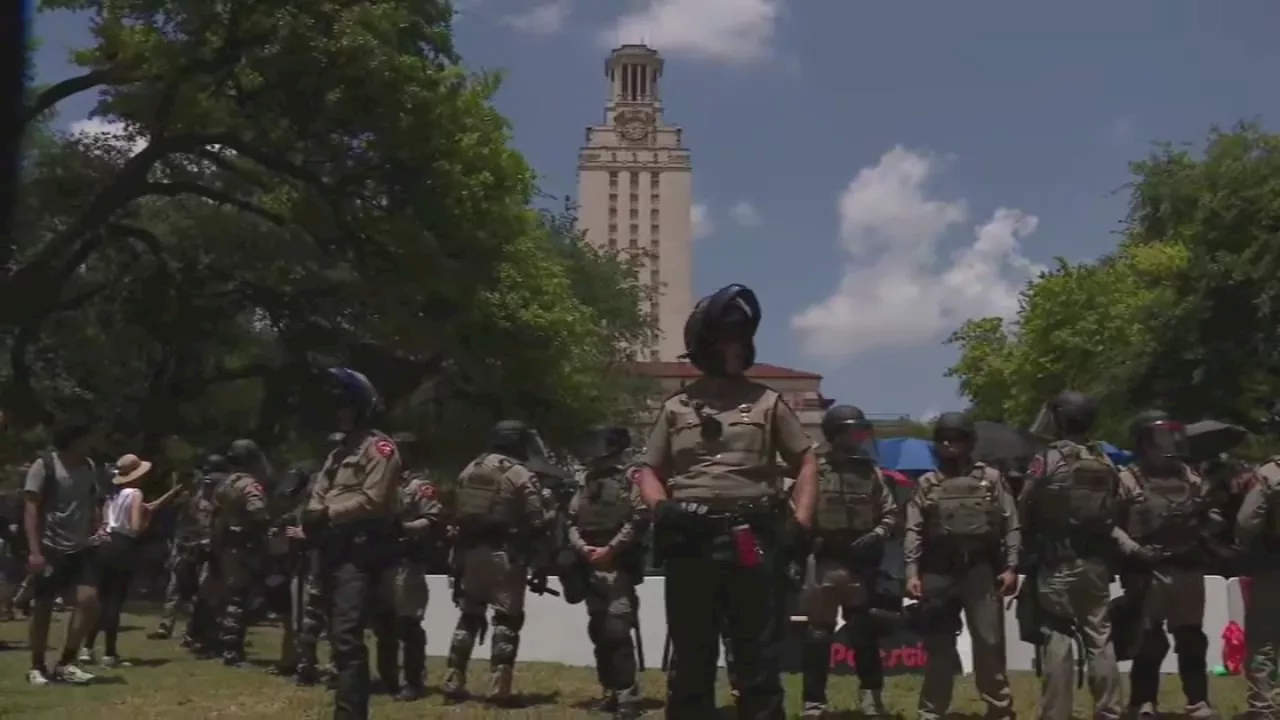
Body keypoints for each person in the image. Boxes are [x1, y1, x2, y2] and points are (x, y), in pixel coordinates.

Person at [631, 283, 819, 720]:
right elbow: (649, 471)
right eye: (725, 339)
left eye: (741, 339)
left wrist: (801, 523)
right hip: (690, 538)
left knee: (756, 652)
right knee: (692, 653)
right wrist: (662, 508)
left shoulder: (768, 402)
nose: (735, 349)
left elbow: (806, 461)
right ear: (703, 344)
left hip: (751, 537)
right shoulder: (676, 408)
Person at [301, 367, 401, 720]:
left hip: (359, 551)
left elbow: (374, 499)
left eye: (344, 406)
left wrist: (327, 514)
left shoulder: (381, 448)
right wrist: (313, 514)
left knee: (346, 637)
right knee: (334, 634)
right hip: (330, 548)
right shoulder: (338, 451)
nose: (338, 413)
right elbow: (319, 490)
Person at [903, 411, 1018, 720]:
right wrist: (912, 572)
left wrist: (1011, 567)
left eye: (956, 438)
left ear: (970, 442)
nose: (949, 444)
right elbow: (913, 529)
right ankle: (931, 712)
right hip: (938, 573)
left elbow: (1011, 525)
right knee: (939, 647)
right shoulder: (927, 483)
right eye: (943, 439)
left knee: (989, 644)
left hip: (980, 571)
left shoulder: (991, 479)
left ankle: (1000, 709)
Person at [1020, 390, 1124, 720]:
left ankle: (1057, 714)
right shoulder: (1104, 460)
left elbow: (1025, 502)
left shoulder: (1048, 458)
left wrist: (1029, 540)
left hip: (1057, 562)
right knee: (1100, 639)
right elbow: (1116, 506)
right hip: (1095, 563)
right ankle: (1109, 711)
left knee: (1057, 635)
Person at [1114, 411, 1220, 720]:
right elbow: (1111, 525)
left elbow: (1209, 520)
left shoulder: (1189, 476)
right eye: (1159, 439)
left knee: (1191, 638)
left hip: (1186, 567)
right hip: (1147, 570)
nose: (1167, 445)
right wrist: (1135, 551)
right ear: (1142, 444)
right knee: (1147, 640)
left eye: (1171, 437)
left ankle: (1198, 701)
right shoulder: (1127, 479)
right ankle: (1143, 702)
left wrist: (1208, 516)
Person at [800, 404, 900, 718]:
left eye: (858, 431)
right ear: (833, 434)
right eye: (849, 431)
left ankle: (871, 698)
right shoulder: (813, 467)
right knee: (818, 635)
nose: (856, 437)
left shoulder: (869, 471)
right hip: (824, 561)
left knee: (863, 632)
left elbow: (890, 513)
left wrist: (876, 535)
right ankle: (814, 702)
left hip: (859, 564)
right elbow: (796, 509)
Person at [443, 419, 551, 706]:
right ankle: (498, 688)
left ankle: (453, 679)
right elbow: (536, 519)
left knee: (469, 614)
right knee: (507, 620)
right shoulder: (518, 473)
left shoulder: (471, 468)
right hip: (504, 555)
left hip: (469, 553)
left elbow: (456, 511)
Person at [567, 424, 651, 720]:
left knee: (617, 631)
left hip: (619, 566)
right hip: (592, 564)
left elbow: (640, 518)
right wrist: (584, 550)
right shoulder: (586, 479)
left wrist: (611, 550)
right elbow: (572, 521)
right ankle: (609, 691)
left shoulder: (632, 477)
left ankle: (628, 696)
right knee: (599, 630)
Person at [23, 418, 103, 686]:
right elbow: (31, 509)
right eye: (87, 438)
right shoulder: (44, 466)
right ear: (73, 439)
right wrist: (35, 551)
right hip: (49, 546)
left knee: (89, 601)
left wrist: (96, 527)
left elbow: (90, 501)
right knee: (43, 607)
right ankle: (36, 665)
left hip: (79, 546)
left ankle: (67, 662)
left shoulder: (89, 466)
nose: (92, 443)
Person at [82, 453, 181, 667]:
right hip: (123, 547)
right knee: (115, 601)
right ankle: (109, 653)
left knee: (100, 600)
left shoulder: (113, 495)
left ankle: (86, 648)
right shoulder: (136, 493)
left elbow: (143, 509)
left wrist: (168, 496)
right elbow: (136, 528)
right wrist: (148, 521)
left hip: (105, 545)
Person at [372, 432, 442, 702]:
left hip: (406, 562)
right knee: (383, 623)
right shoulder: (382, 480)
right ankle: (388, 677)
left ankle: (413, 681)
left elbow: (432, 519)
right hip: (381, 560)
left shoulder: (419, 485)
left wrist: (404, 529)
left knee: (408, 624)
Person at [150, 455, 225, 644]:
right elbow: (174, 512)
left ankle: (190, 630)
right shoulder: (190, 496)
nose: (208, 486)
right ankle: (166, 624)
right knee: (175, 587)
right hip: (184, 545)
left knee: (199, 591)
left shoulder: (220, 502)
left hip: (204, 548)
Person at [212, 439, 271, 667]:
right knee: (240, 599)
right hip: (245, 546)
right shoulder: (250, 484)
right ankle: (233, 651)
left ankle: (225, 644)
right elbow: (257, 511)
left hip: (226, 546)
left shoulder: (225, 484)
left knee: (230, 596)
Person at [1235, 455, 1280, 718]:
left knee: (1264, 637)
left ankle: (1263, 706)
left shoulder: (1270, 473)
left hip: (1274, 566)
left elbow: (1246, 522)